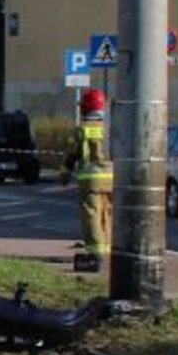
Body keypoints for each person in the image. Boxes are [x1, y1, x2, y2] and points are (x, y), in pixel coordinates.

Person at [60, 89, 113, 272]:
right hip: (113, 179)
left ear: (85, 108)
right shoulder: (110, 128)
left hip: (91, 180)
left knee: (92, 215)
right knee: (107, 215)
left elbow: (72, 155)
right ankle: (107, 249)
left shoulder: (82, 129)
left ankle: (96, 254)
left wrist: (64, 173)